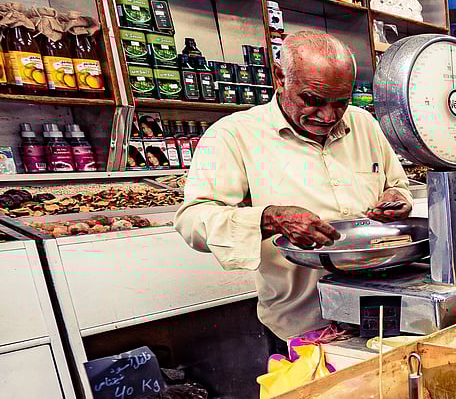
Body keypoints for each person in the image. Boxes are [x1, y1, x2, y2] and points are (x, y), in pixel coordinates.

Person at [176, 30, 413, 348]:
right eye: (312, 100)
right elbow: (192, 220)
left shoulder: (364, 124)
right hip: (303, 326)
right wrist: (271, 219)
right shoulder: (233, 135)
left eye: (341, 102)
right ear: (279, 77)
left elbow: (395, 184)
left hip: (381, 311)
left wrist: (396, 198)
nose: (328, 116)